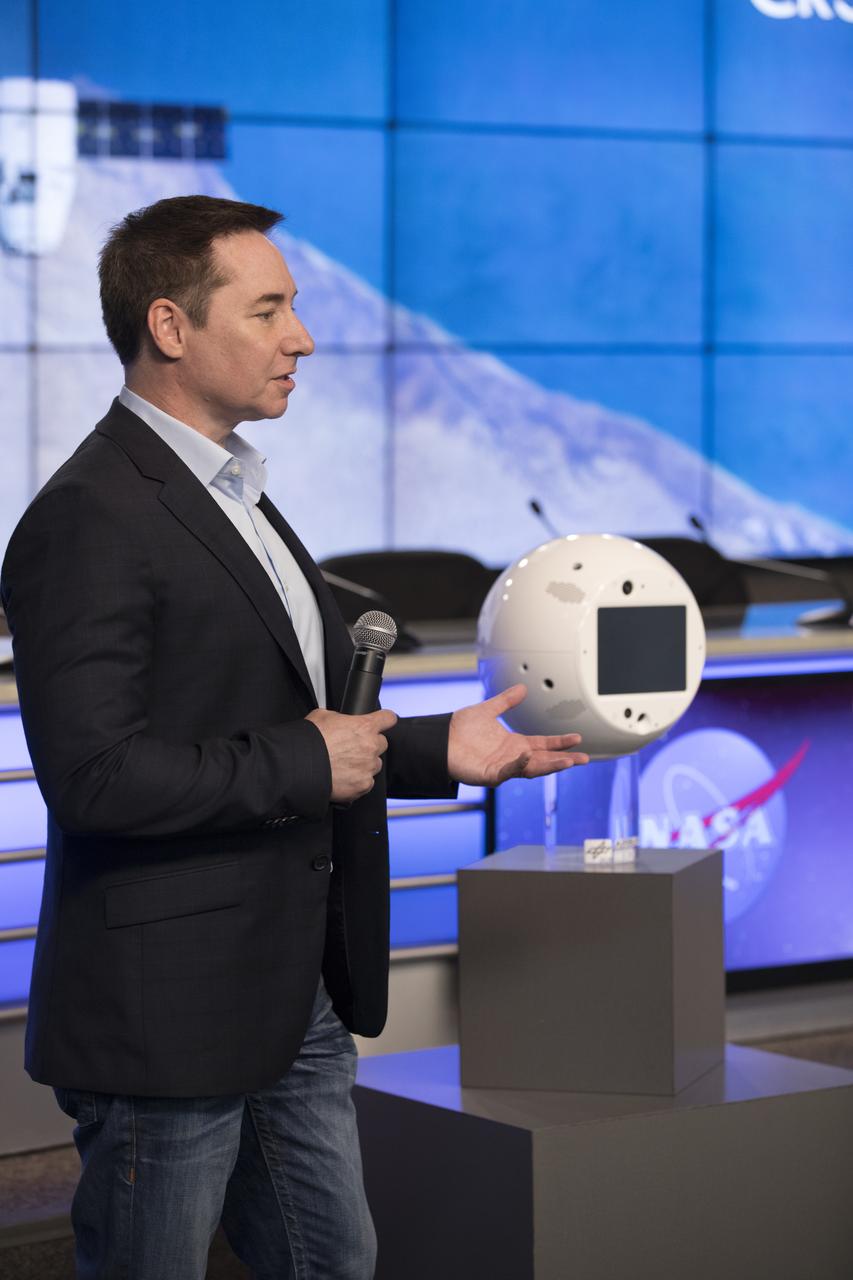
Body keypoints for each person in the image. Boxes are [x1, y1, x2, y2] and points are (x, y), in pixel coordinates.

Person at [0, 195, 587, 1280]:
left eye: (297, 309)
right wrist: (310, 758)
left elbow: (283, 722)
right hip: (166, 1020)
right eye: (268, 310)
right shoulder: (90, 514)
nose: (302, 338)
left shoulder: (232, 492)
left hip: (291, 992)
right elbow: (92, 776)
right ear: (170, 327)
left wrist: (433, 749)